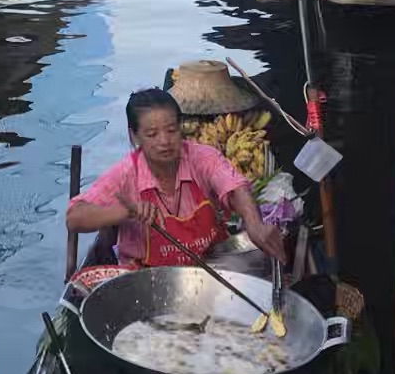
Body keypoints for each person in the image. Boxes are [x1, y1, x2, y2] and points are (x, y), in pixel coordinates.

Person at [65, 88, 285, 267]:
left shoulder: (202, 157)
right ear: (134, 136)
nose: (164, 141)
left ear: (181, 128)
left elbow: (236, 188)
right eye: (152, 134)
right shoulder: (124, 174)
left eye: (171, 130)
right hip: (145, 277)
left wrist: (254, 223)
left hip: (208, 264)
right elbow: (74, 218)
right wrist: (124, 212)